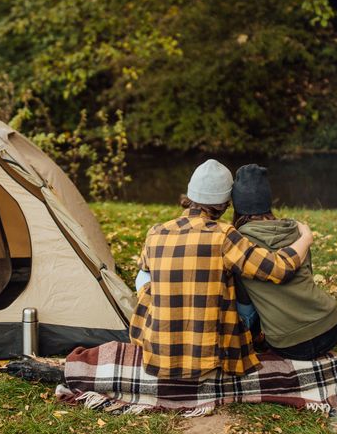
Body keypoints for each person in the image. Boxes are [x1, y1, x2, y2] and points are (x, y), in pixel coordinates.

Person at [129, 159, 314, 380]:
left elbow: (146, 271)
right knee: (244, 279)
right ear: (225, 204)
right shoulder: (224, 235)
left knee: (145, 275)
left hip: (159, 358)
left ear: (190, 195)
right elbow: (278, 269)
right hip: (209, 359)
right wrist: (306, 238)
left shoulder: (156, 232)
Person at [230, 164, 337, 360]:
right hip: (332, 325)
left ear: (237, 205)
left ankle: (255, 340)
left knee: (246, 303)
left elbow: (245, 303)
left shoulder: (239, 244)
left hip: (289, 344)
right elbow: (307, 275)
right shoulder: (295, 230)